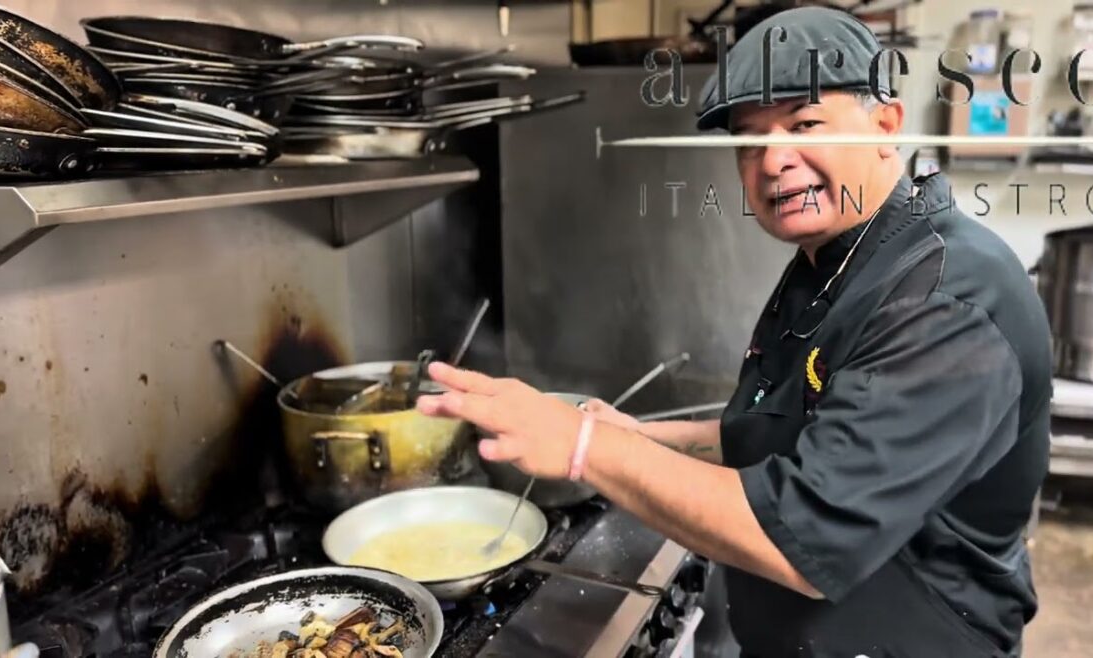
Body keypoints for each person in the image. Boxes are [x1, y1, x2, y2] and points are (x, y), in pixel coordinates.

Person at [416, 6, 1052, 657]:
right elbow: (767, 429)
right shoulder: (830, 261)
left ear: (885, 125)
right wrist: (634, 437)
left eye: (805, 124)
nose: (774, 159)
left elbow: (806, 539)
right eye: (749, 141)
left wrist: (583, 448)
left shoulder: (949, 299)